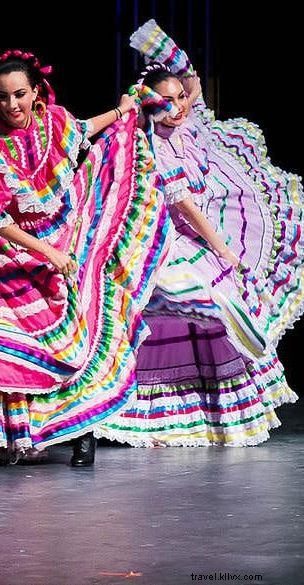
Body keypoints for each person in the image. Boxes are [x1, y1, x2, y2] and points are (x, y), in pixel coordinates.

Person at [0, 49, 171, 465]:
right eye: (2, 97)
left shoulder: (53, 123)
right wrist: (49, 252)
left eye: (19, 94)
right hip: (6, 259)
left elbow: (83, 129)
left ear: (35, 93)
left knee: (74, 337)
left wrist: (121, 112)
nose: (12, 105)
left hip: (60, 236)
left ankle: (80, 429)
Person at [96, 21, 303, 446]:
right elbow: (184, 207)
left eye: (178, 100)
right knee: (189, 303)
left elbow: (191, 85)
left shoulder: (187, 127)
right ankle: (145, 410)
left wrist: (162, 49)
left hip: (196, 229)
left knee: (205, 316)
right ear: (151, 108)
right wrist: (222, 247)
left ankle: (214, 402)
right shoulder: (152, 145)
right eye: (167, 103)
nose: (179, 107)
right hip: (168, 239)